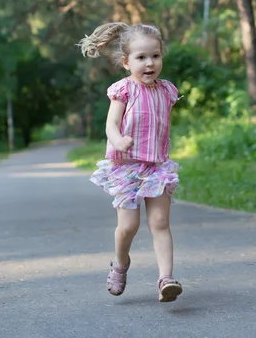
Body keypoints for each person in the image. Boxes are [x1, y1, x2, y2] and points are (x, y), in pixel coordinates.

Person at [78, 22, 183, 303]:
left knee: (159, 222)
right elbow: (111, 124)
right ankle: (120, 263)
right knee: (128, 227)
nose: (150, 63)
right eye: (141, 58)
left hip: (157, 166)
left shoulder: (167, 90)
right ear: (126, 62)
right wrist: (118, 140)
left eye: (156, 56)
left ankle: (166, 279)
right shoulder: (123, 90)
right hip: (126, 167)